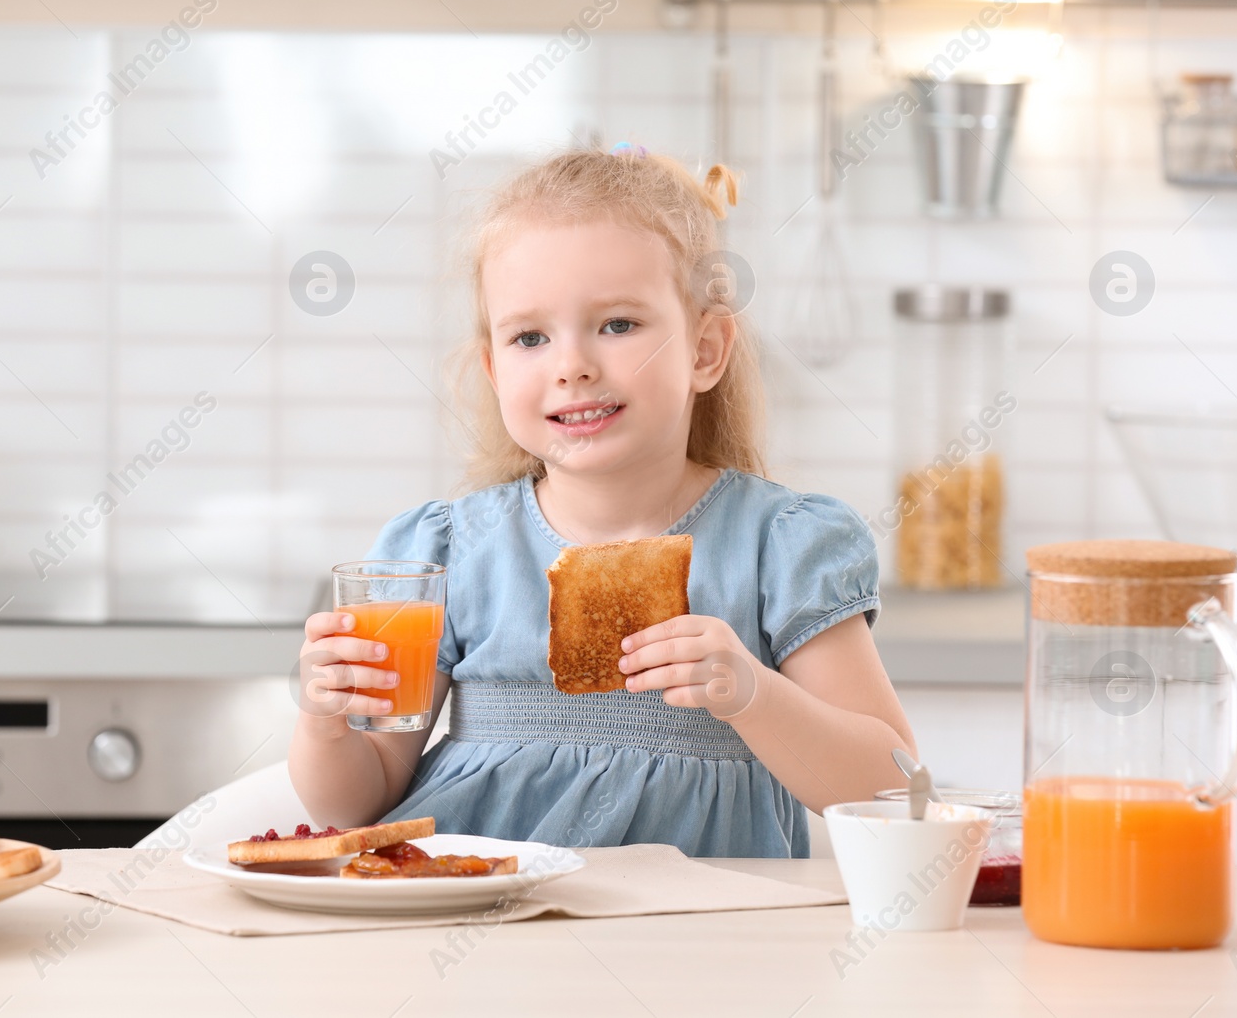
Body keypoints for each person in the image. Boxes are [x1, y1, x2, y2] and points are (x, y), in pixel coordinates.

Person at [288, 146, 915, 857]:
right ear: (495, 370)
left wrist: (753, 694)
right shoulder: (449, 554)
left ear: (705, 350)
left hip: (703, 944)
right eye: (530, 336)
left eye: (617, 324)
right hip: (481, 937)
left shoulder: (779, 546)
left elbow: (892, 789)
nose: (572, 365)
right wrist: (324, 722)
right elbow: (356, 800)